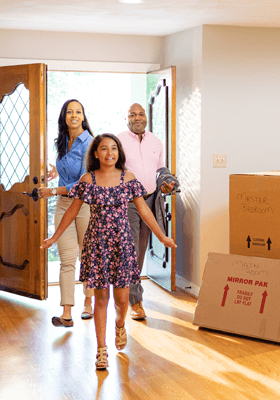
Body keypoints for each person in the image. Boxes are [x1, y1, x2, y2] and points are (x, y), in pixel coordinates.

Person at [41, 134, 176, 370]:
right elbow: (72, 212)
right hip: (97, 244)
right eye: (104, 148)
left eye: (114, 148)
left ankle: (120, 324)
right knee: (101, 298)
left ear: (119, 153)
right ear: (96, 153)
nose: (109, 153)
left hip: (122, 244)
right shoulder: (88, 179)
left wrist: (162, 236)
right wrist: (54, 237)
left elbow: (145, 212)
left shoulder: (128, 179)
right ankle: (101, 350)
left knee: (122, 300)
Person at [117, 103, 178, 320]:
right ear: (126, 119)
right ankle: (135, 301)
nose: (137, 118)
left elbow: (159, 170)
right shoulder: (119, 140)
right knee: (132, 250)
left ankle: (129, 294)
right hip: (128, 202)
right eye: (132, 114)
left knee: (140, 250)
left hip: (150, 200)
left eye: (141, 114)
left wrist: (166, 184)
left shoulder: (156, 142)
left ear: (146, 117)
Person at [37, 99, 95, 327]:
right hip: (63, 205)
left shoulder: (89, 143)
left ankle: (88, 302)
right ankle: (66, 313)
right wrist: (56, 170)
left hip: (83, 206)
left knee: (87, 256)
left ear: (83, 116)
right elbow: (67, 171)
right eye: (69, 112)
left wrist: (51, 190)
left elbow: (83, 183)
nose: (74, 115)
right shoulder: (62, 141)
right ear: (64, 117)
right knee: (66, 259)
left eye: (78, 111)